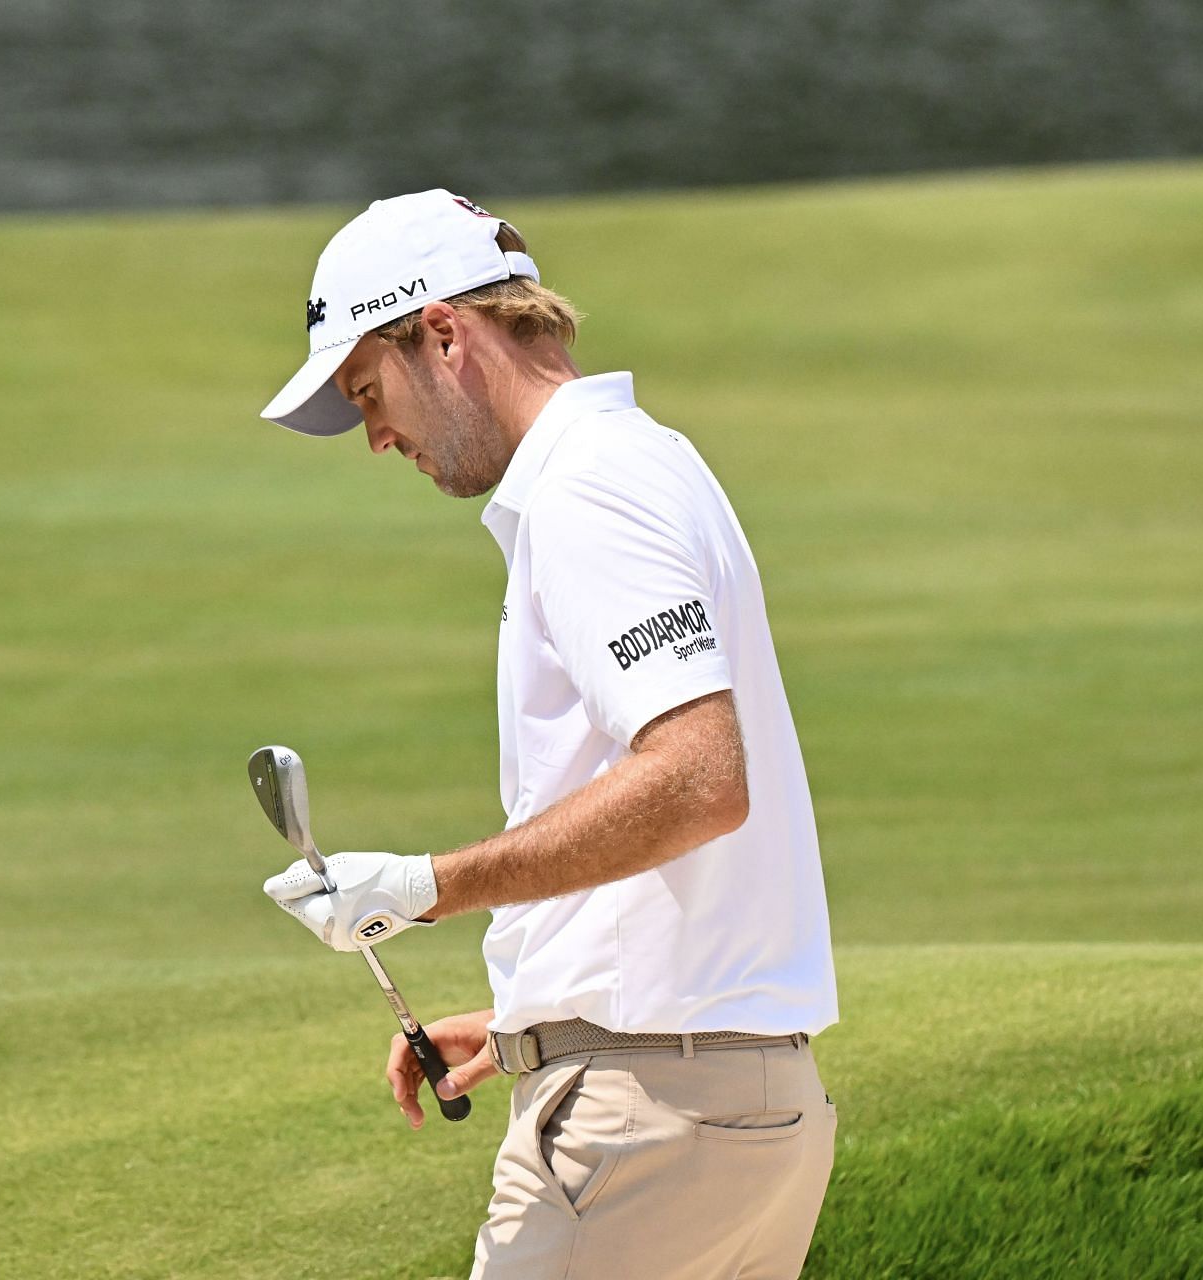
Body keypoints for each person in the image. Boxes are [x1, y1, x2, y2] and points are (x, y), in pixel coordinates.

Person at [258, 189, 840, 1280]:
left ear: (444, 334)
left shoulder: (589, 491)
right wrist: (535, 1021)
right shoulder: (648, 459)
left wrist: (425, 884)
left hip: (644, 1132)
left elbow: (699, 779)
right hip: (740, 1116)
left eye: (369, 391)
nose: (377, 435)